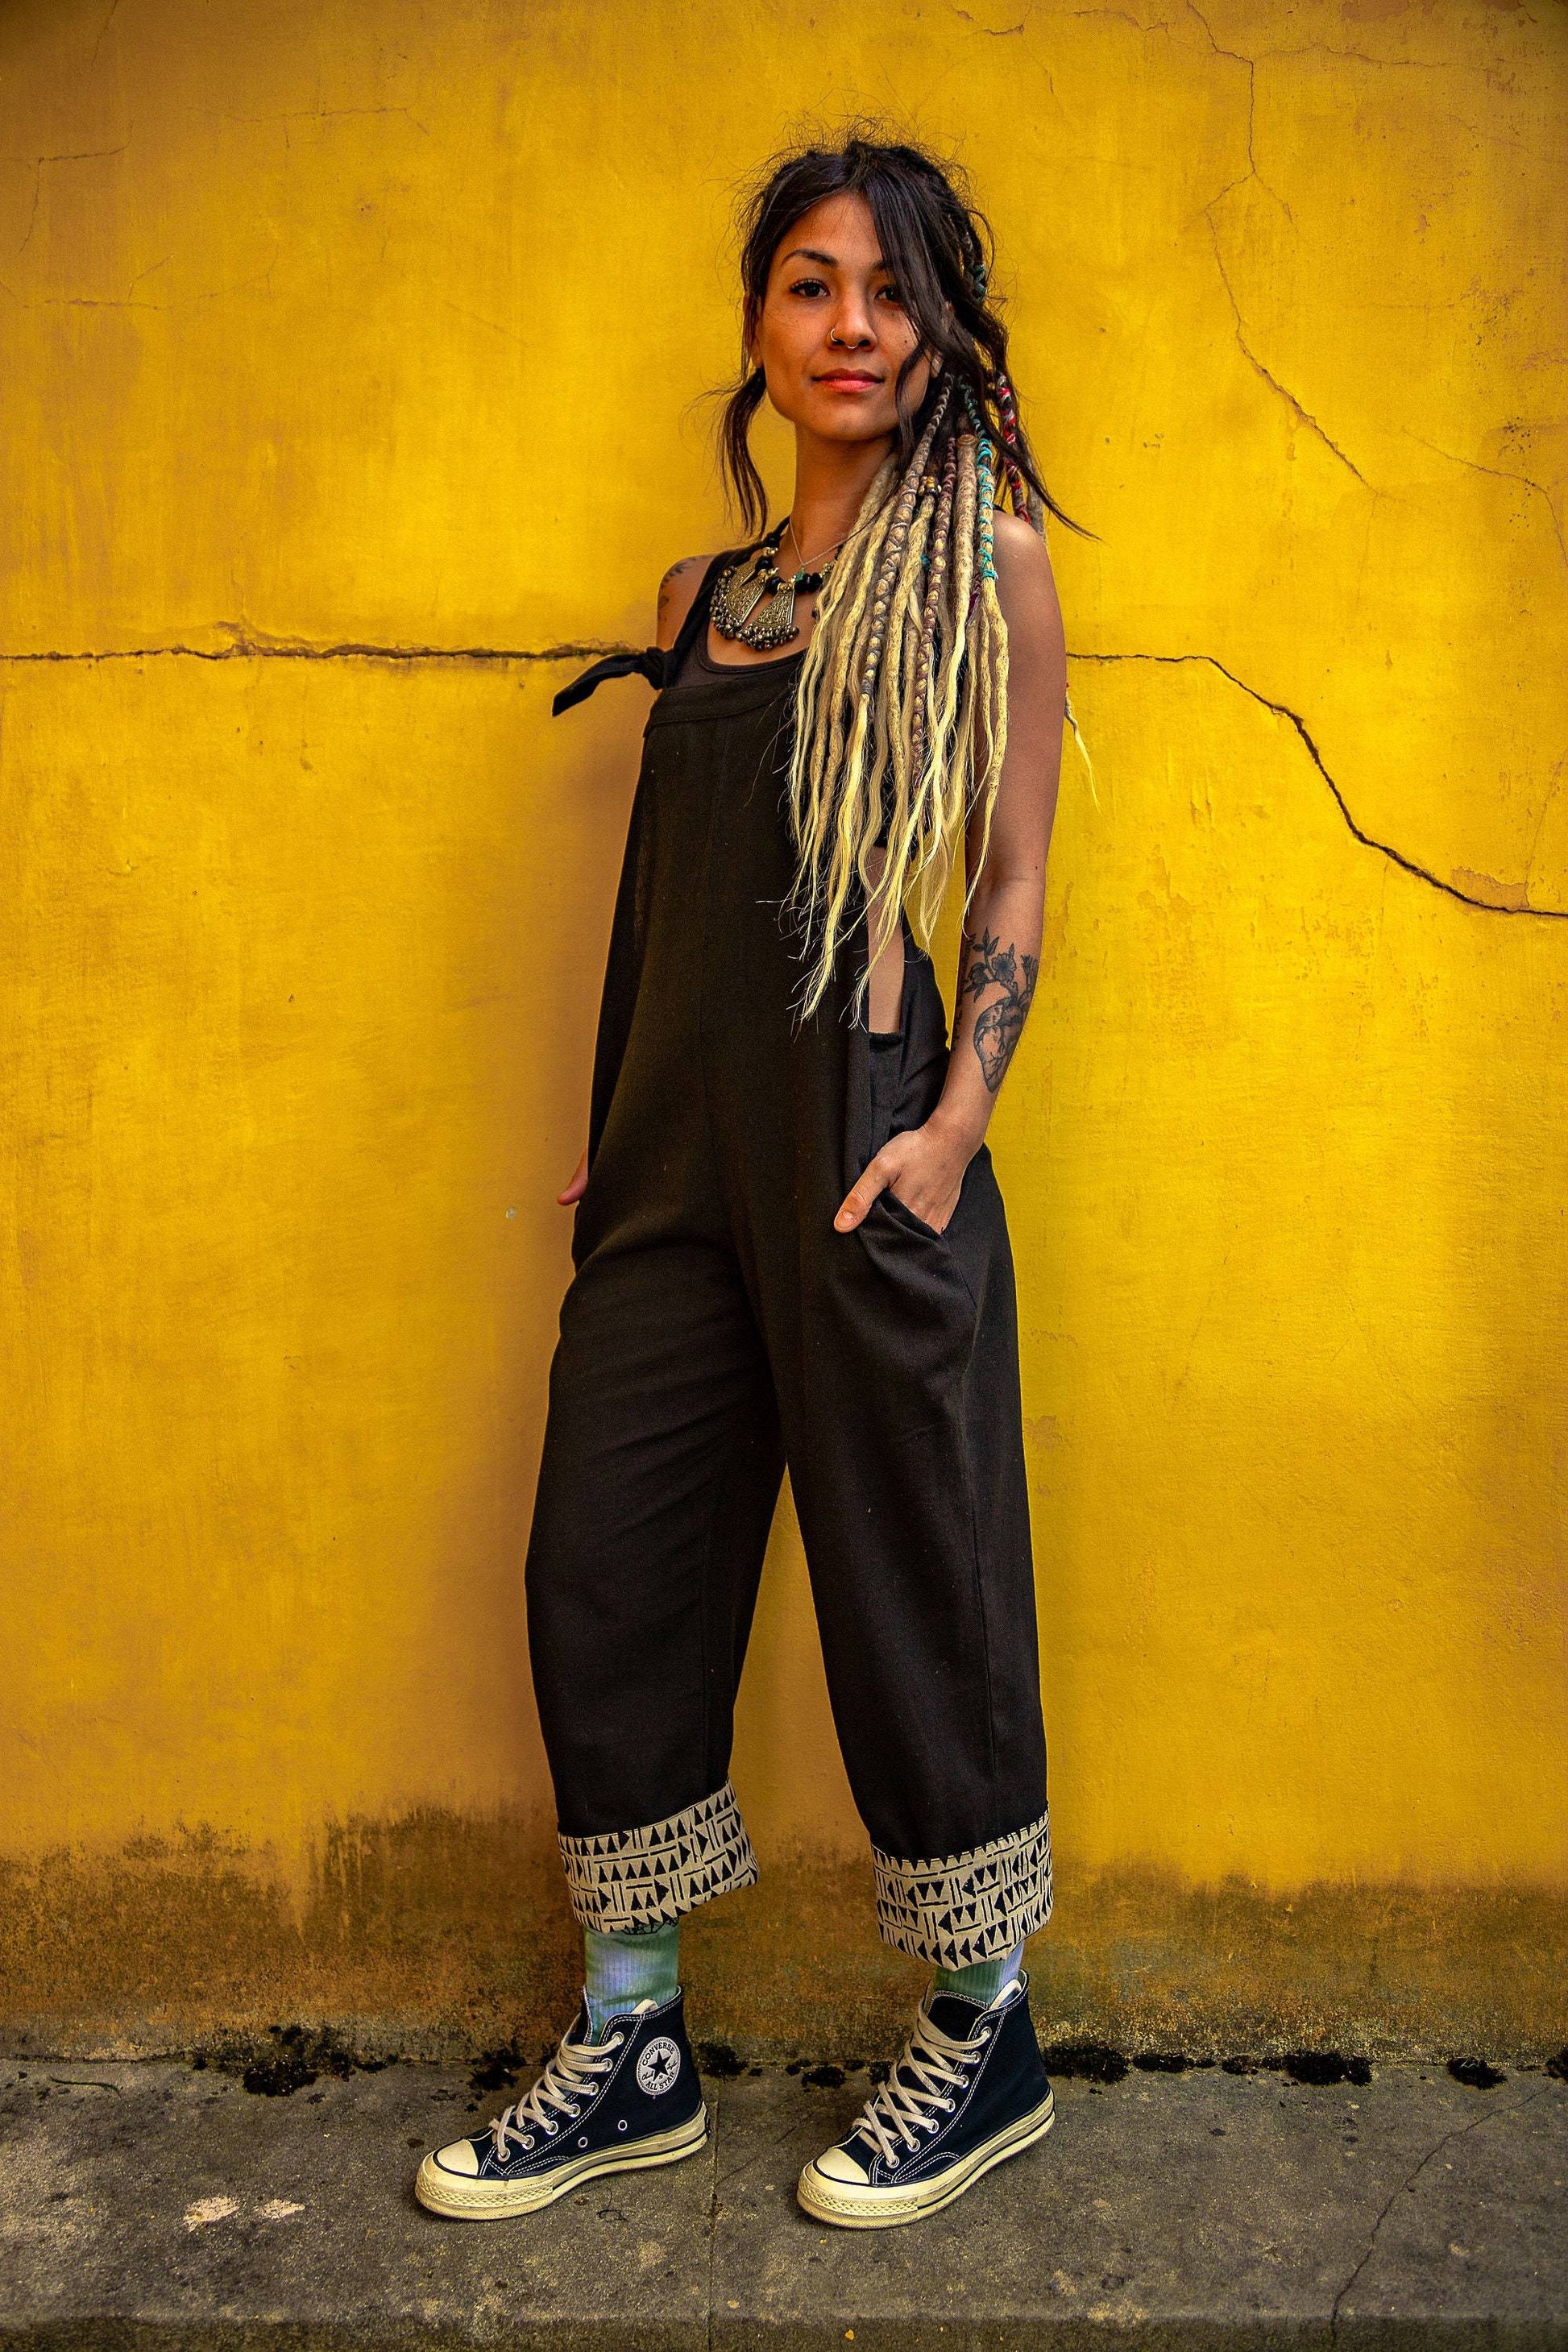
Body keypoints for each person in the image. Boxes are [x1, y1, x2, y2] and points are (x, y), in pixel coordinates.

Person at [415, 128, 1076, 2233]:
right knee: (605, 1564)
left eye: (890, 289)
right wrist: (619, 1126)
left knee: (918, 1583)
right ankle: (633, 2041)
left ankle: (982, 2027)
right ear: (760, 325)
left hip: (869, 1145)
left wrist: (952, 1126)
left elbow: (1011, 880)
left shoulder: (987, 571)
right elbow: (662, 899)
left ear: (943, 326)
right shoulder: (699, 604)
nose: (851, 324)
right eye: (810, 284)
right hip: (673, 1164)